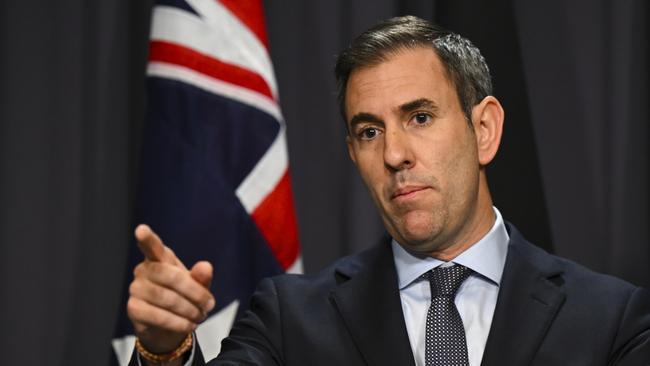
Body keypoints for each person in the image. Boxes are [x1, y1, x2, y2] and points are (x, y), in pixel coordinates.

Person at [126, 16, 650, 366]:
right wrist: (164, 350)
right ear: (354, 153)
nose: (394, 154)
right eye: (369, 131)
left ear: (484, 130)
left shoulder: (610, 321)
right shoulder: (290, 320)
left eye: (419, 117)